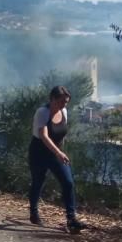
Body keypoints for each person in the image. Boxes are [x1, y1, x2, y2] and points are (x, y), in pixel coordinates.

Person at [28, 85, 86, 233]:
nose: (64, 105)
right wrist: (58, 153)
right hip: (39, 152)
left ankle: (71, 219)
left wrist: (61, 151)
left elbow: (62, 132)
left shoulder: (64, 111)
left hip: (56, 152)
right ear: (52, 99)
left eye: (66, 102)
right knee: (38, 182)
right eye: (61, 101)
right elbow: (44, 136)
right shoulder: (43, 112)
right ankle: (34, 212)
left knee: (68, 182)